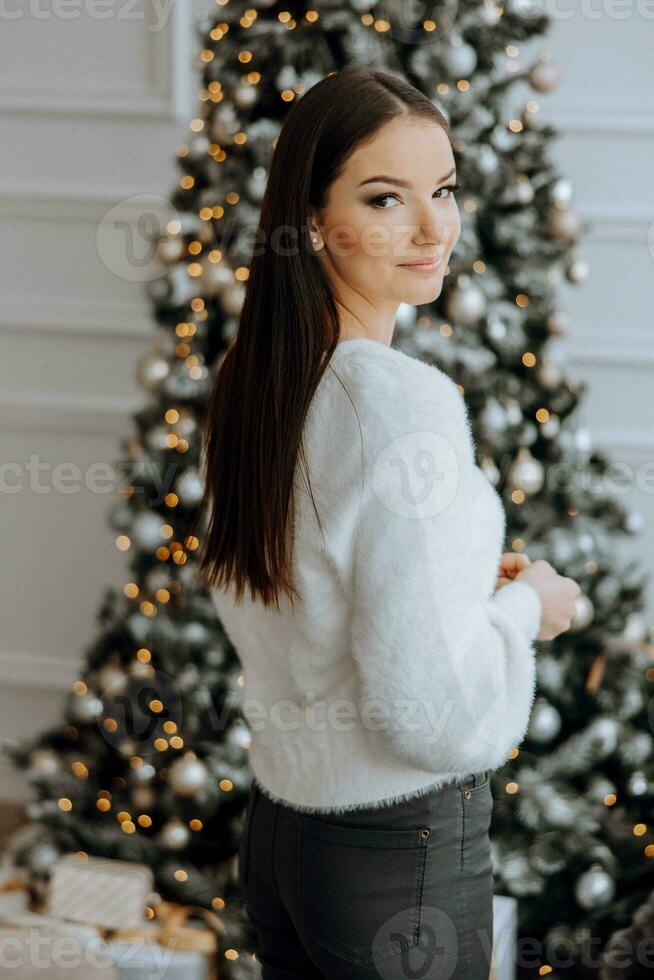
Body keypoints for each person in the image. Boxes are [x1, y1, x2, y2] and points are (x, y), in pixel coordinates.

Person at [198, 65, 581, 980]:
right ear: (314, 220)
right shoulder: (397, 408)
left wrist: (458, 594)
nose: (433, 228)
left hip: (287, 836)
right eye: (385, 198)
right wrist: (532, 611)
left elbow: (305, 596)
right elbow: (433, 715)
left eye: (443, 191)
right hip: (395, 848)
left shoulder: (256, 381)